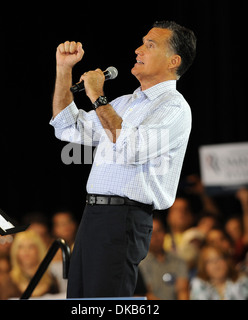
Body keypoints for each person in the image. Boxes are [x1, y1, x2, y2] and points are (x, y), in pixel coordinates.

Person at [50, 20, 196, 298]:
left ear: (173, 61)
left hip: (123, 218)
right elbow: (65, 126)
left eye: (149, 45)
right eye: (142, 43)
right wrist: (64, 70)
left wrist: (97, 96)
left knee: (105, 304)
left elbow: (132, 148)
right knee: (80, 300)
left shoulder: (174, 108)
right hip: (93, 215)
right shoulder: (125, 103)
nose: (138, 50)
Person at [139, 216, 189, 300]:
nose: (156, 236)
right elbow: (146, 295)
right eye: (151, 232)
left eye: (159, 231)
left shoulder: (178, 260)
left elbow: (183, 291)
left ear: (165, 233)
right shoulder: (140, 264)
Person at [9, 230, 58, 297]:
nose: (26, 251)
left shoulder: (52, 280)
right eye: (21, 247)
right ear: (15, 251)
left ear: (39, 250)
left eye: (31, 246)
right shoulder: (8, 281)